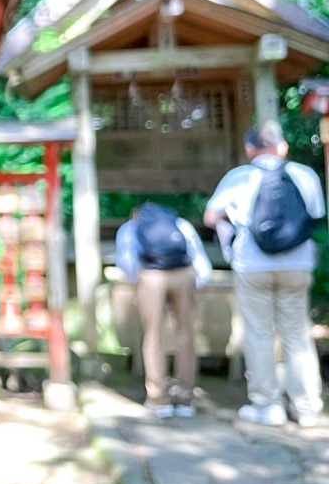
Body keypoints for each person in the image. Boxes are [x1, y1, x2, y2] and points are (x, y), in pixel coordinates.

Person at [205, 122, 324, 428]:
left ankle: (267, 405)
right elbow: (315, 214)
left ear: (249, 149)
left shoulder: (239, 177)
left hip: (252, 264)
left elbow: (211, 215)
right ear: (282, 147)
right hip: (297, 264)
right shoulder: (303, 174)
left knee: (259, 333)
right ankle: (308, 408)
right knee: (297, 333)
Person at [117, 202, 213, 418]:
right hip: (184, 275)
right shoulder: (180, 223)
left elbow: (126, 260)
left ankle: (158, 399)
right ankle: (186, 398)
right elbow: (201, 263)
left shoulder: (131, 227)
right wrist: (193, 286)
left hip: (151, 278)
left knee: (153, 336)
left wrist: (138, 283)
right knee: (186, 334)